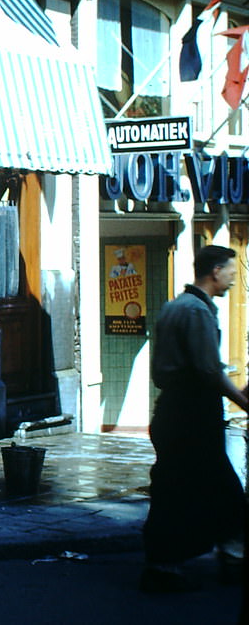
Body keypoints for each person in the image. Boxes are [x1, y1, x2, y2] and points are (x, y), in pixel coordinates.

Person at [142, 244, 248, 593]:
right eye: (232, 272)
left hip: (172, 411)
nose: (235, 279)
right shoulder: (198, 313)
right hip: (192, 414)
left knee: (175, 490)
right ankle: (230, 558)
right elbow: (207, 370)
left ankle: (166, 563)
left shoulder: (175, 307)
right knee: (225, 493)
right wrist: (242, 401)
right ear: (215, 272)